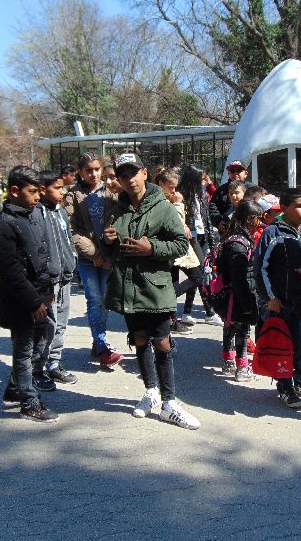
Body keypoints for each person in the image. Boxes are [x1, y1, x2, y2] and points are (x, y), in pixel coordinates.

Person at [101, 153, 200, 429]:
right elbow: (108, 253)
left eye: (133, 173)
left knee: (162, 342)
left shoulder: (163, 207)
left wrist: (151, 248)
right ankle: (151, 392)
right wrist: (106, 241)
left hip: (155, 288)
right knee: (140, 338)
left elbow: (181, 244)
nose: (129, 180)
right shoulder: (116, 211)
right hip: (127, 288)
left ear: (144, 173)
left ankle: (170, 403)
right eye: (123, 176)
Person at [0, 165, 59, 422]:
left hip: (40, 297)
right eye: (32, 192)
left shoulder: (32, 216)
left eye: (39, 191)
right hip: (20, 302)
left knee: (43, 340)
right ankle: (29, 401)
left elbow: (40, 258)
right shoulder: (3, 225)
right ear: (15, 191)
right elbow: (10, 271)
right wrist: (32, 302)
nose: (38, 197)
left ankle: (14, 386)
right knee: (24, 351)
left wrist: (47, 293)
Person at [255, 188, 301, 408]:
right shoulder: (272, 233)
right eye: (299, 206)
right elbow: (260, 268)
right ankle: (285, 386)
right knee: (281, 346)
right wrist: (270, 298)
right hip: (278, 303)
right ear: (284, 208)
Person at [64, 151, 123, 369]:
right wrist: (95, 254)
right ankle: (103, 345)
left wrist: (108, 255)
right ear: (80, 172)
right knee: (94, 298)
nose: (94, 174)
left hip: (108, 258)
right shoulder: (73, 195)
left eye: (97, 169)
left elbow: (121, 220)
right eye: (88, 170)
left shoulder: (110, 192)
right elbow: (71, 230)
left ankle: (98, 340)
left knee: (105, 299)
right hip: (88, 259)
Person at [35, 170, 78, 384]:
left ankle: (54, 363)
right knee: (46, 325)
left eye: (62, 187)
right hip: (48, 280)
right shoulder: (36, 214)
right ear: (43, 190)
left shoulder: (60, 212)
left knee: (61, 322)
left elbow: (68, 237)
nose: (62, 191)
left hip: (65, 277)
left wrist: (72, 259)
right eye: (57, 188)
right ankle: (37, 368)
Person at [219, 200, 262, 381]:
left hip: (229, 295)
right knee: (243, 331)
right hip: (237, 296)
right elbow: (240, 279)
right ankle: (242, 369)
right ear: (250, 218)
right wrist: (247, 304)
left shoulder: (231, 237)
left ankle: (228, 363)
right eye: (258, 217)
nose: (260, 221)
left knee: (229, 327)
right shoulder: (239, 244)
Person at [175, 164, 223, 327]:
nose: (205, 182)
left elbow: (206, 218)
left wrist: (210, 241)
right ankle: (209, 312)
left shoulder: (201, 193)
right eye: (202, 179)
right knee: (200, 274)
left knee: (199, 275)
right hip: (191, 239)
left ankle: (187, 312)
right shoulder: (181, 195)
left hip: (202, 238)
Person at [155, 168, 196, 334]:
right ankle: (169, 314)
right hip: (168, 247)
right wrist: (178, 204)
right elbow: (174, 222)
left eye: (175, 187)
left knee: (185, 278)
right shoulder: (158, 199)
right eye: (171, 187)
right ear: (161, 184)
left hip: (177, 246)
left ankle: (170, 315)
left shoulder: (168, 198)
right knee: (194, 276)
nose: (174, 191)